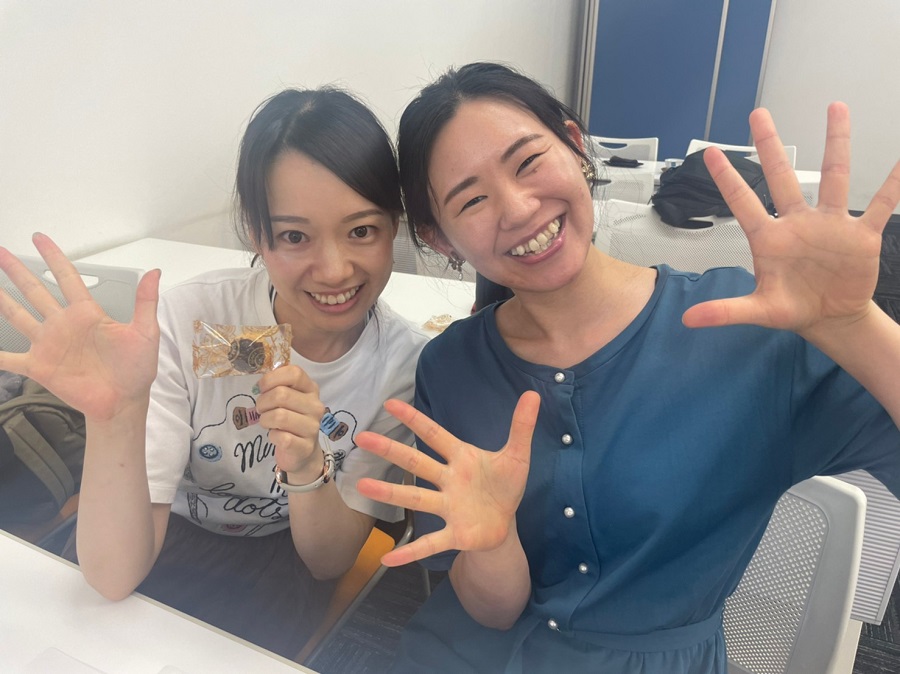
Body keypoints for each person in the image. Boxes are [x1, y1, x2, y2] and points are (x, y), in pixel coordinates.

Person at [352, 62, 900, 673]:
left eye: (528, 161)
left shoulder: (744, 326)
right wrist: (493, 544)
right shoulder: (451, 365)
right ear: (441, 238)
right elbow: (491, 613)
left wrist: (855, 325)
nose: (518, 208)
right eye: (472, 199)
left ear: (575, 145)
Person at [0, 87, 428, 657]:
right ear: (256, 232)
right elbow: (112, 578)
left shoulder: (401, 365)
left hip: (282, 550)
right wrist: (116, 419)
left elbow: (326, 563)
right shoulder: (199, 320)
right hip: (169, 527)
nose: (333, 270)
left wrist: (307, 465)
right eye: (295, 236)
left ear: (394, 226)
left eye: (361, 230)